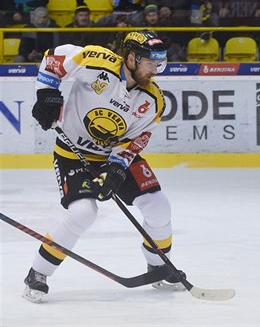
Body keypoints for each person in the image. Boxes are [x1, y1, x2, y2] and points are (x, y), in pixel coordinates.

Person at [23, 29, 186, 303]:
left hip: (112, 155)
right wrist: (47, 92)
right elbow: (55, 58)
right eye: (150, 63)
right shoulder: (97, 62)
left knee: (158, 205)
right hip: (72, 154)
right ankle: (37, 274)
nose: (155, 70)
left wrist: (118, 167)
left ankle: (158, 265)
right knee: (83, 212)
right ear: (131, 58)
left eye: (159, 63)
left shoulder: (153, 100)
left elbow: (137, 138)